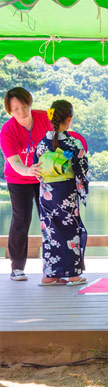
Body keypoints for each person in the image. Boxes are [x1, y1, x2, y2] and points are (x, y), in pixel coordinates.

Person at [33, 100, 89, 286]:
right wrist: (82, 190)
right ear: (69, 119)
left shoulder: (42, 144)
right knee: (70, 230)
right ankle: (73, 274)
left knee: (50, 232)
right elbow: (82, 170)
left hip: (47, 193)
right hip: (67, 192)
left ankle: (50, 275)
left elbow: (38, 170)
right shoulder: (74, 143)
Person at [0, 87, 50, 281]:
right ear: (10, 110)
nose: (21, 112)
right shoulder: (7, 130)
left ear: (30, 103)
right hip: (18, 178)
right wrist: (29, 171)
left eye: (24, 106)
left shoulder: (45, 118)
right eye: (16, 109)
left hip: (44, 177)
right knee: (21, 220)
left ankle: (55, 265)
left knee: (49, 219)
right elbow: (15, 162)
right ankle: (17, 267)